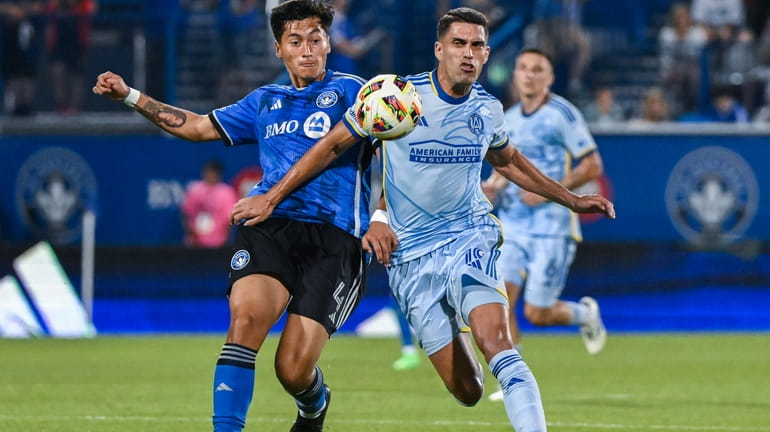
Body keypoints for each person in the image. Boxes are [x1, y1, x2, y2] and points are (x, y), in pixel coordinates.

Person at [233, 7, 615, 431]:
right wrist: (292, 199)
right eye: (458, 44)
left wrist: (570, 199)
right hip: (410, 257)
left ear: (487, 54)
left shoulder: (487, 110)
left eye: (477, 46)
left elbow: (509, 161)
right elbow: (332, 146)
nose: (468, 53)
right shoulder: (394, 98)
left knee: (498, 343)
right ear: (439, 49)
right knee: (468, 389)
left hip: (468, 237)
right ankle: (455, 317)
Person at [93, 1, 375, 431]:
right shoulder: (265, 101)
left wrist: (384, 218)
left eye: (316, 40)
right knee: (243, 323)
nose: (307, 50)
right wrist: (130, 96)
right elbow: (197, 126)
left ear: (329, 44)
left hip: (334, 238)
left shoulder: (357, 92)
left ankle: (313, 404)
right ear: (278, 49)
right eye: (295, 41)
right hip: (272, 229)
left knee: (292, 370)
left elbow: (373, 146)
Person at [482, 48, 607, 401]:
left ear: (550, 78)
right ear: (515, 76)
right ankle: (513, 383)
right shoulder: (507, 118)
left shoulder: (562, 114)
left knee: (537, 313)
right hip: (515, 225)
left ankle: (585, 315)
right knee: (501, 300)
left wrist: (552, 190)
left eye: (538, 69)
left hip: (553, 226)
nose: (529, 75)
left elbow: (592, 164)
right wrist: (492, 187)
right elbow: (505, 169)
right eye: (523, 68)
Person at [181, 159, 239, 248]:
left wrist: (226, 240)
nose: (210, 175)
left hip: (218, 243)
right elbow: (185, 213)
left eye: (213, 173)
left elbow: (229, 220)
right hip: (194, 242)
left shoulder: (227, 192)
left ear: (219, 174)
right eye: (208, 172)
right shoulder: (195, 189)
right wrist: (190, 232)